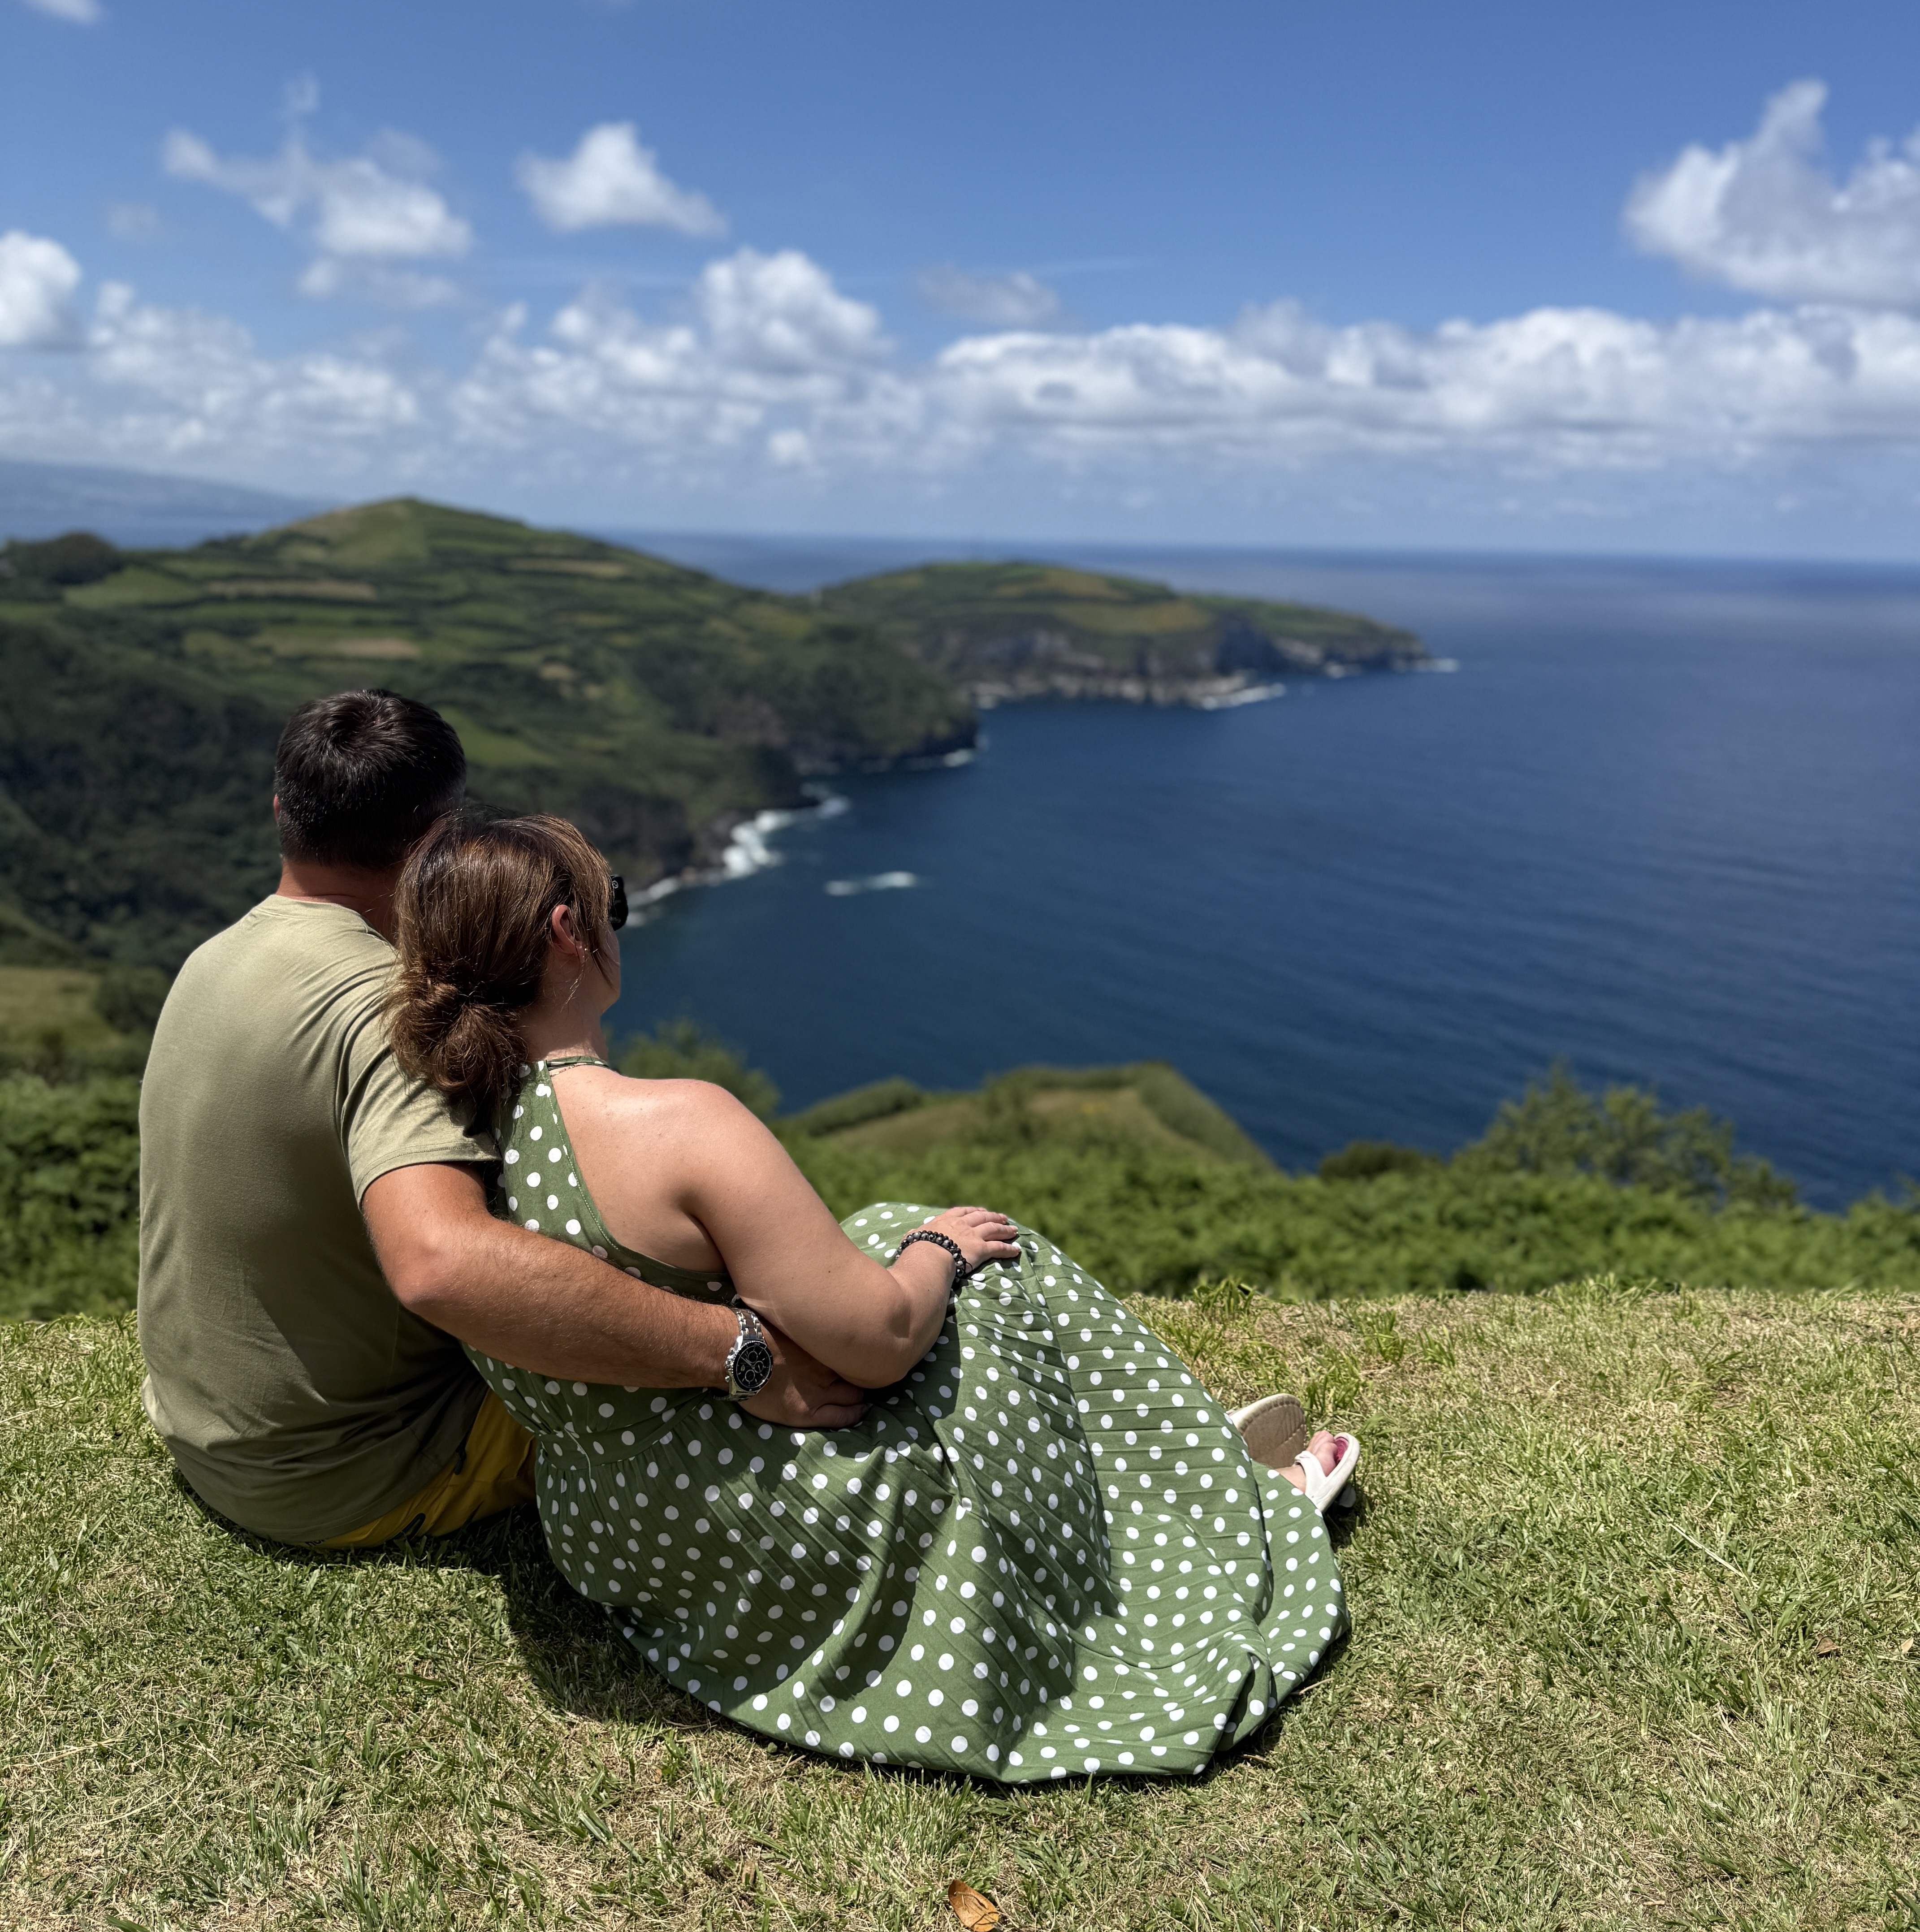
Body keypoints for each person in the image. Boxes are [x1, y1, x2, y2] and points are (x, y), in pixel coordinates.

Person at [386, 809, 1360, 1785]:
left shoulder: (445, 1144)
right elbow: (882, 1340)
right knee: (992, 1268)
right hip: (768, 1529)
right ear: (567, 932)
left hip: (619, 1532)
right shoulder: (676, 1124)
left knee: (877, 1226)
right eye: (614, 904)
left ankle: (1167, 1478)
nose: (615, 923)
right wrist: (940, 1249)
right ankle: (1214, 1515)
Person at [138, 690, 864, 1552]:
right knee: (786, 1356)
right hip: (359, 1470)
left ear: (280, 812)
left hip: (208, 1432)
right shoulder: (391, 1014)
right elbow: (439, 1263)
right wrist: (736, 1351)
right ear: (440, 844)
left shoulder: (212, 960)